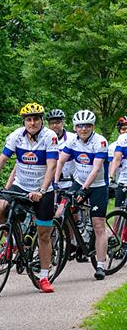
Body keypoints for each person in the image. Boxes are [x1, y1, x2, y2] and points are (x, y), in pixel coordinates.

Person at [0, 102, 60, 293]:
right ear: (24, 121)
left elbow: (51, 166)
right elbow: (1, 161)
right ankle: (11, 243)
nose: (32, 122)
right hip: (21, 184)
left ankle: (43, 277)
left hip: (42, 188)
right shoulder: (16, 136)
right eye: (29, 119)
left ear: (42, 121)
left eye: (36, 119)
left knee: (44, 233)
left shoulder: (49, 137)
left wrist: (42, 191)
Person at [54, 109, 110, 279]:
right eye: (79, 126)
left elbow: (96, 168)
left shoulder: (100, 141)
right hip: (79, 180)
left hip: (98, 185)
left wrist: (84, 189)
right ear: (75, 127)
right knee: (60, 211)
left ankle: (100, 265)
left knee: (98, 224)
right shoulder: (72, 141)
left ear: (92, 127)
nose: (83, 129)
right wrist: (55, 182)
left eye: (87, 126)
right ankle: (73, 242)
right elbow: (61, 161)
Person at [47, 108, 77, 193]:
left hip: (71, 182)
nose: (54, 125)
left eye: (57, 122)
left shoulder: (73, 138)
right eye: (52, 123)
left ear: (62, 122)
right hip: (51, 183)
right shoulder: (44, 139)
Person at [107, 116, 127, 209]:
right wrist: (111, 177)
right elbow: (115, 161)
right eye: (123, 129)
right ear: (119, 130)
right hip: (122, 180)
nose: (126, 131)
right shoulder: (114, 146)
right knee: (117, 211)